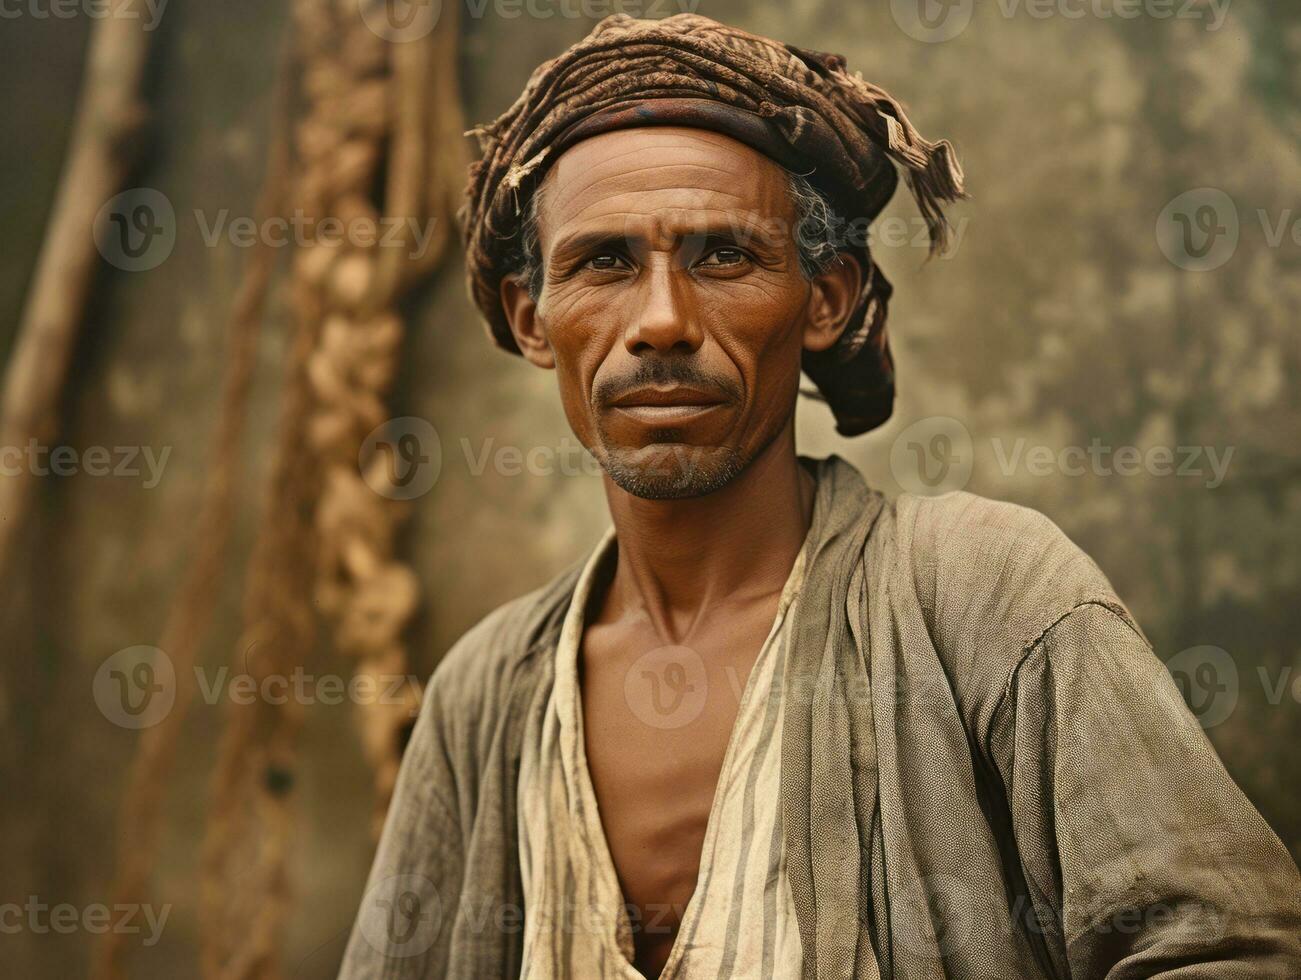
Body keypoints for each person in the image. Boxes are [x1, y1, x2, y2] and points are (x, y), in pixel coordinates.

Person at [340, 14, 1301, 979]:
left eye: (723, 256)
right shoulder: (485, 699)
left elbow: (1228, 951)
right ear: (530, 318)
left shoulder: (987, 599)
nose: (662, 321)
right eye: (604, 262)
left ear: (826, 299)